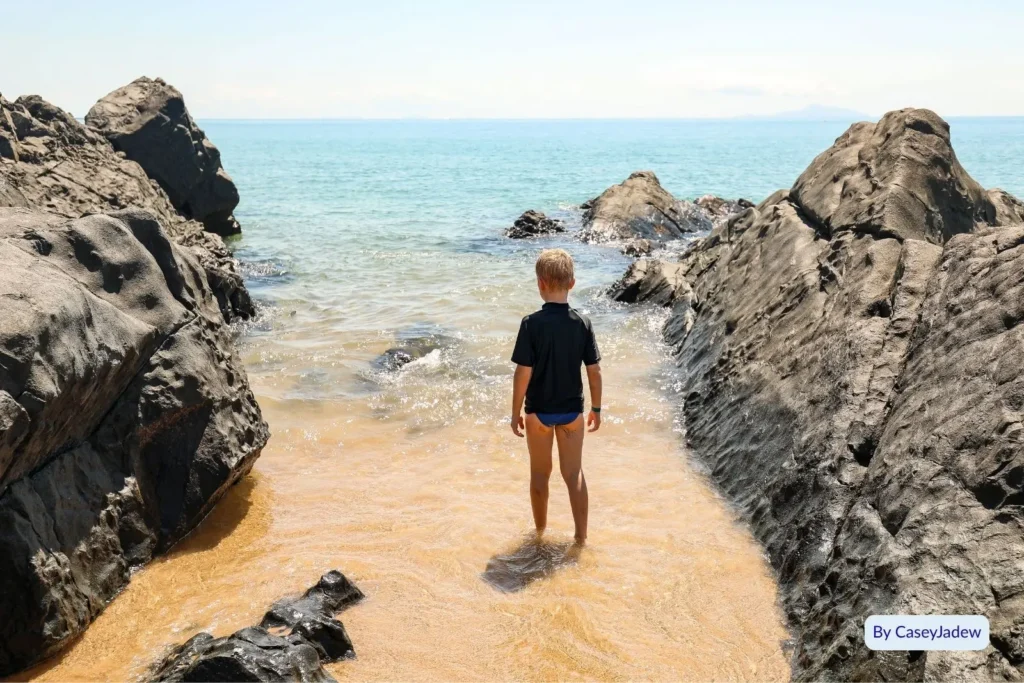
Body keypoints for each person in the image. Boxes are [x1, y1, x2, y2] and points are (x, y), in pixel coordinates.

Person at [510, 248, 602, 544]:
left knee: (540, 474)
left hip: (538, 412)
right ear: (572, 283)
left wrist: (515, 413)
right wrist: (596, 409)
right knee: (573, 474)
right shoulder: (582, 323)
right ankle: (581, 538)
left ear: (541, 283)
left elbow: (523, 373)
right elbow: (594, 371)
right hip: (572, 412)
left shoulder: (530, 324)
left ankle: (539, 535)